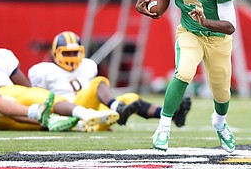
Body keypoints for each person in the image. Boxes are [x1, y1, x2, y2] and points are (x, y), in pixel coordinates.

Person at [136, 0, 241, 153]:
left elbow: (230, 26)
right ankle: (163, 128)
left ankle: (220, 123)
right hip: (190, 32)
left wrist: (206, 21)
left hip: (218, 39)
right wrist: (140, 1)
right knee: (183, 72)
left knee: (222, 92)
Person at [0, 30, 119, 132]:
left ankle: (77, 126)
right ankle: (85, 114)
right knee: (50, 103)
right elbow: (23, 83)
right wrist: (31, 96)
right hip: (9, 93)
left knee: (23, 123)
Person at [28, 31, 191, 131]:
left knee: (130, 98)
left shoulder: (87, 65)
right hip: (68, 112)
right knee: (98, 82)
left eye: (75, 53)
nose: (71, 58)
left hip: (94, 113)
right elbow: (38, 99)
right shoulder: (43, 71)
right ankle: (116, 107)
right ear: (55, 53)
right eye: (67, 54)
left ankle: (170, 115)